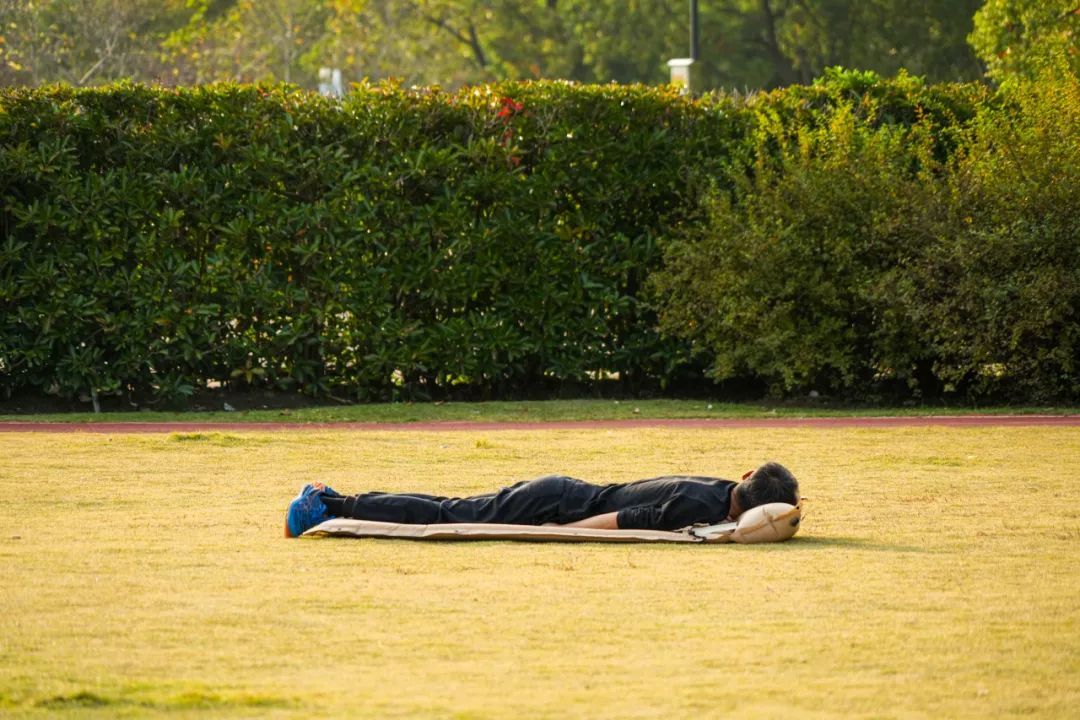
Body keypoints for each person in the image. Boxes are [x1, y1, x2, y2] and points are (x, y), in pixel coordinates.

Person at [284, 462, 799, 538]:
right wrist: (562, 533)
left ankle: (336, 499)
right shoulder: (701, 507)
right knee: (446, 512)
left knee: (449, 505)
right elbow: (624, 519)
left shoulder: (717, 488)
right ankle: (329, 505)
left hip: (560, 492)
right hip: (554, 504)